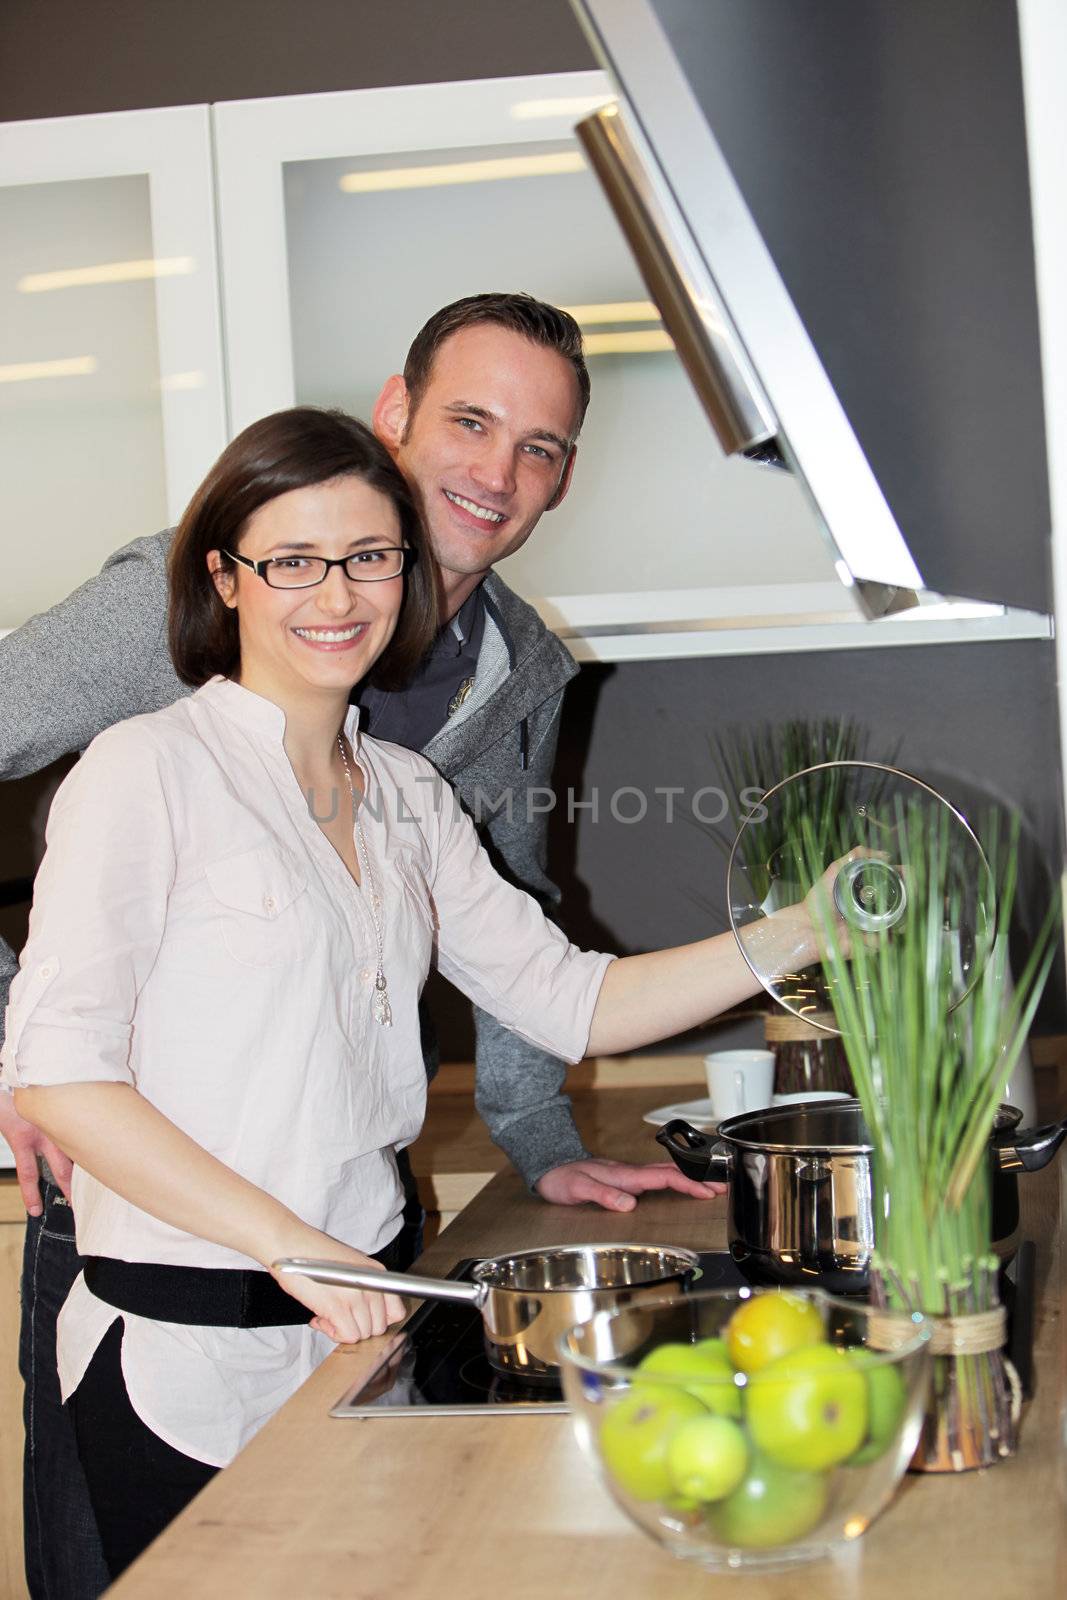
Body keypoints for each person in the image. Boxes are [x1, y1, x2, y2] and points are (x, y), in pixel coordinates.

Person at [2, 407, 816, 1582]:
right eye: (293, 560)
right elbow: (60, 1074)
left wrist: (801, 929)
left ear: (407, 571)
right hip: (187, 1358)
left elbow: (570, 1001)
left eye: (369, 557)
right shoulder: (146, 771)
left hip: (361, 1337)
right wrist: (291, 1248)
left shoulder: (404, 792)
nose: (336, 595)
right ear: (225, 577)